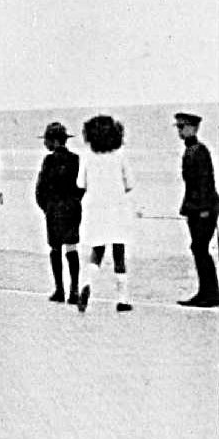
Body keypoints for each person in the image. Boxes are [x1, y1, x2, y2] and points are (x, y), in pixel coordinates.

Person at [75, 115, 135, 313]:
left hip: (95, 208)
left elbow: (81, 184)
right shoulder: (120, 155)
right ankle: (122, 299)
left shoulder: (88, 155)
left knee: (97, 251)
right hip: (117, 207)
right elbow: (130, 183)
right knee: (119, 253)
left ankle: (87, 284)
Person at [173, 112, 219, 308]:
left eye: (182, 127)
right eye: (178, 127)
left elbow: (205, 182)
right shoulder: (191, 150)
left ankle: (210, 293)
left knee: (200, 248)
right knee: (199, 249)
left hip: (203, 209)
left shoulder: (199, 151)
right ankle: (207, 291)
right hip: (196, 208)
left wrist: (204, 209)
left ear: (193, 128)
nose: (179, 131)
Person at [35, 122, 84, 304]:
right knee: (71, 247)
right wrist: (75, 201)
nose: (45, 143)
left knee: (55, 248)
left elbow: (40, 189)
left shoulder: (48, 161)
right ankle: (74, 291)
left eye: (47, 140)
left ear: (54, 141)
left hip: (54, 209)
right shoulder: (76, 159)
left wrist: (46, 207)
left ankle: (59, 290)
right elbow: (82, 186)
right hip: (72, 208)